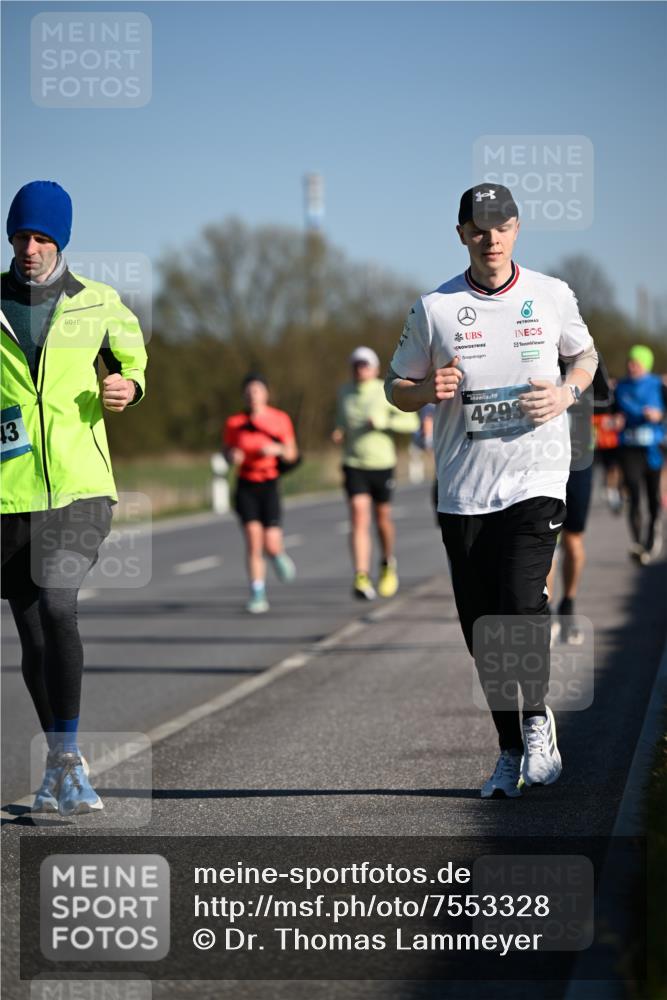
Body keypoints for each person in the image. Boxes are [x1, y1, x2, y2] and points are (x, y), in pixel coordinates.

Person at [386, 182, 598, 798]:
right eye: (478, 228)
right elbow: (396, 388)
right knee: (483, 631)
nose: (491, 237)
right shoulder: (435, 308)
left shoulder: (551, 295)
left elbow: (585, 357)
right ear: (461, 234)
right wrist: (425, 392)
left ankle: (535, 722)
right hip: (464, 488)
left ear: (517, 228)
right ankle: (510, 749)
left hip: (537, 477)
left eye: (501, 226)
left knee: (520, 599)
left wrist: (566, 393)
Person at [1, 180, 147, 815]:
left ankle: (65, 765)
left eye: (42, 237)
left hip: (81, 486)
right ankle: (65, 762)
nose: (30, 248)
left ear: (60, 241)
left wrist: (128, 387)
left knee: (59, 603)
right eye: (21, 236)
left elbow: (132, 363)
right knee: (33, 636)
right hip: (10, 496)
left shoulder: (98, 301)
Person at [332, 346, 419, 600]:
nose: (360, 369)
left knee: (382, 519)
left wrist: (383, 423)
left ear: (375, 368)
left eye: (365, 365)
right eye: (356, 365)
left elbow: (411, 422)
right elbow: (340, 421)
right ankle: (361, 575)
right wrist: (338, 431)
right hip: (353, 463)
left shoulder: (385, 389)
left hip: (381, 464)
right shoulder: (344, 392)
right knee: (358, 515)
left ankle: (387, 562)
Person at [548, 357, 613, 645]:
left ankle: (568, 605)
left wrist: (570, 396)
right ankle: (546, 612)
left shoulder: (586, 357)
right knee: (545, 542)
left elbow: (606, 400)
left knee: (573, 541)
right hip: (542, 462)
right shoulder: (535, 351)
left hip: (578, 461)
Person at [223, 374, 298, 613]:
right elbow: (226, 451)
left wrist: (277, 449)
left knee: (271, 543)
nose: (252, 395)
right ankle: (257, 593)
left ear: (266, 394)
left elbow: (292, 454)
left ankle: (277, 555)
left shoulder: (280, 419)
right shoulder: (235, 423)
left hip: (269, 483)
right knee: (253, 540)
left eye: (256, 391)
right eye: (248, 392)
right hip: (246, 484)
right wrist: (232, 456)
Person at [615, 345, 666, 564]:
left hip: (653, 449)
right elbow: (612, 411)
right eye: (629, 361)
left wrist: (659, 416)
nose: (631, 366)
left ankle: (652, 535)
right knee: (633, 491)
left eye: (636, 362)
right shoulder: (620, 387)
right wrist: (616, 419)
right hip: (629, 447)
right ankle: (638, 544)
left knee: (652, 497)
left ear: (646, 364)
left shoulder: (658, 385)